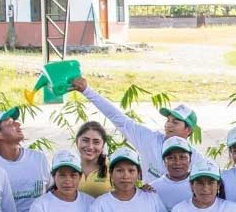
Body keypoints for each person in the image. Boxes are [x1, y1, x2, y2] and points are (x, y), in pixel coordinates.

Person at [71, 75, 202, 181]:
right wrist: (87, 91)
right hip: (149, 208)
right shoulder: (149, 140)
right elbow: (118, 118)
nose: (168, 125)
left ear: (188, 130)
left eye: (175, 122)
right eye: (168, 120)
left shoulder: (198, 159)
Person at [75, 121, 113, 197]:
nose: (90, 147)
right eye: (85, 140)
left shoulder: (113, 167)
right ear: (77, 141)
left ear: (103, 145)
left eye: (96, 142)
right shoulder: (69, 165)